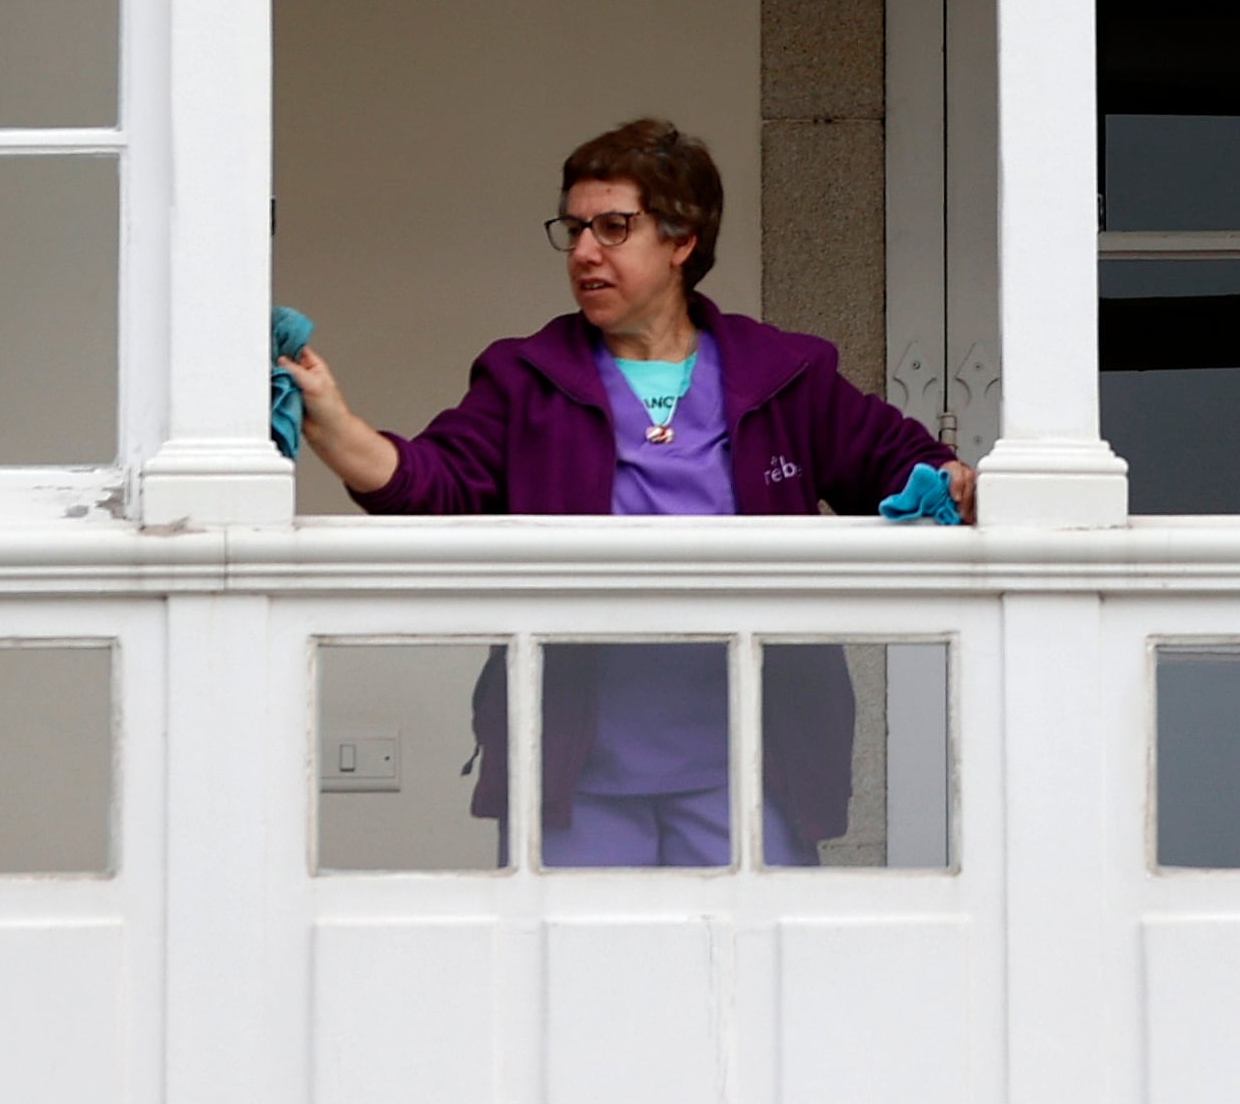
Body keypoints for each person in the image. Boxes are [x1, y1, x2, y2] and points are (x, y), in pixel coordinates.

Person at [285, 117, 970, 867]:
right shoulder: (525, 377)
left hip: (751, 765)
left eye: (614, 227)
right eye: (574, 229)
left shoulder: (784, 373)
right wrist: (334, 423)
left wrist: (955, 484)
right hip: (580, 771)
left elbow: (901, 465)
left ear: (682, 240)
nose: (584, 252)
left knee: (754, 976)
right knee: (584, 981)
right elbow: (434, 485)